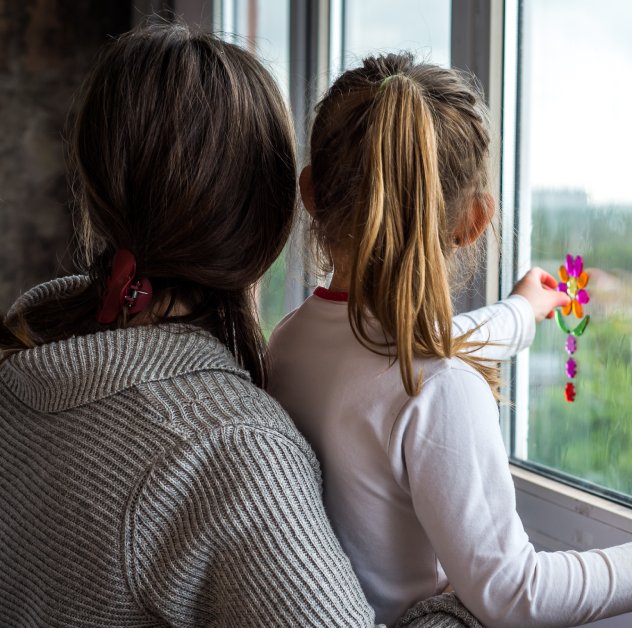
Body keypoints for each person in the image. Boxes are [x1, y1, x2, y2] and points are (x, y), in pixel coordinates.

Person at [266, 52, 632, 628]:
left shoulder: (290, 342)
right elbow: (515, 594)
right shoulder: (438, 390)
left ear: (311, 193)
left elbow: (414, 352)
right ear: (475, 221)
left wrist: (521, 312)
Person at [0, 24, 387, 626]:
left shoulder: (29, 338)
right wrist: (458, 606)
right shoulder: (229, 450)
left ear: (97, 184)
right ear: (268, 215)